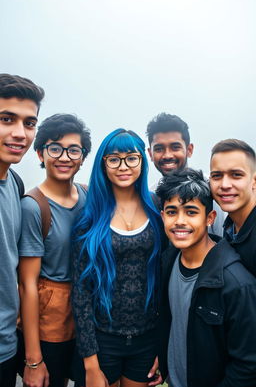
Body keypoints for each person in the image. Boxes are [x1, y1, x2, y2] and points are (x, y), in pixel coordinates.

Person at [71, 128, 165, 387]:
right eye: (114, 159)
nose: (123, 166)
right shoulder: (88, 220)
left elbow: (164, 280)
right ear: (103, 164)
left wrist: (161, 345)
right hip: (103, 341)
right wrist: (90, 362)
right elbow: (80, 293)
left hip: (146, 340)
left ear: (142, 162)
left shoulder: (158, 210)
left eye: (131, 158)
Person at [156, 168, 256, 387]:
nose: (180, 221)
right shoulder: (167, 262)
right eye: (172, 212)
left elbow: (247, 366)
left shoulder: (236, 283)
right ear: (163, 216)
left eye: (191, 212)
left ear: (210, 218)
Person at [17, 114, 91, 387]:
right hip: (50, 323)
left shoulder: (87, 195)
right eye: (55, 148)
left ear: (83, 157)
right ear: (40, 153)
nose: (64, 157)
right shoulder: (33, 206)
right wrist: (33, 360)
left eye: (74, 150)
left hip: (85, 319)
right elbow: (28, 284)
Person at [0, 73, 44, 387]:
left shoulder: (15, 184)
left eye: (29, 123)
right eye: (6, 119)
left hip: (5, 349)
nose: (20, 134)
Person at [146, 112, 225, 236]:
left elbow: (222, 237)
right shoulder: (151, 195)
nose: (167, 155)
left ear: (189, 150)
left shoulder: (210, 188)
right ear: (150, 154)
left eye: (175, 147)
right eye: (159, 149)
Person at [210, 139, 256, 276]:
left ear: (254, 181)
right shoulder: (231, 227)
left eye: (236, 175)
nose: (225, 185)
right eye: (217, 176)